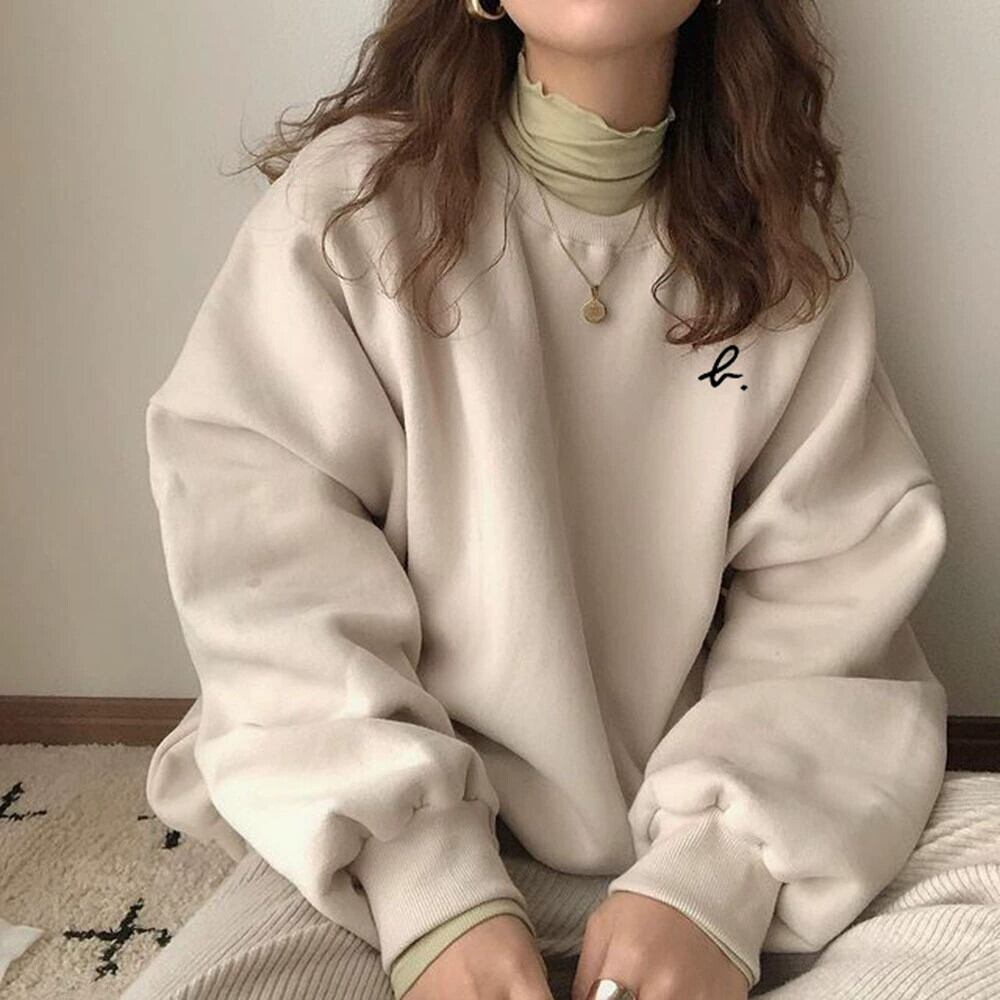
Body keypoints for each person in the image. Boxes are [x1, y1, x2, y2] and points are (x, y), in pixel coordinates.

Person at [123, 1, 950, 998]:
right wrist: (433, 893)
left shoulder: (779, 248)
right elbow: (268, 573)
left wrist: (708, 879)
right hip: (390, 841)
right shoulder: (350, 211)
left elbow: (834, 588)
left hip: (701, 832)